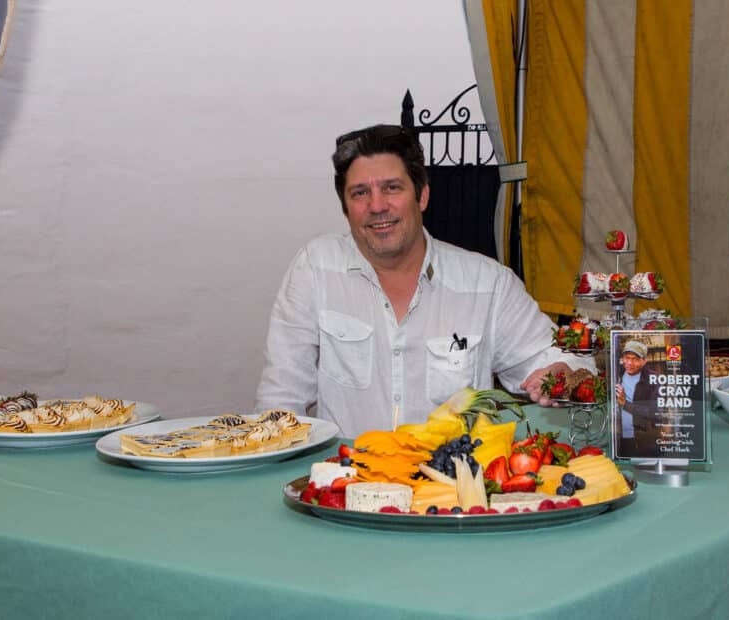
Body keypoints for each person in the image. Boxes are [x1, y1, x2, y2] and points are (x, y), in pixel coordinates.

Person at [254, 123, 592, 437]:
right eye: (359, 193)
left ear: (423, 196)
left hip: (452, 492)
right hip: (343, 488)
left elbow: (561, 361)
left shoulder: (487, 285)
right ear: (345, 207)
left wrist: (564, 371)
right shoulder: (316, 268)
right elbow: (281, 399)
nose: (377, 206)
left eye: (392, 188)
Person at [614, 339, 656, 454]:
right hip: (618, 437)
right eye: (627, 358)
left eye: (635, 359)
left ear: (644, 361)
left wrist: (625, 404)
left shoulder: (653, 379)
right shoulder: (616, 374)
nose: (630, 363)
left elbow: (653, 412)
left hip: (641, 439)